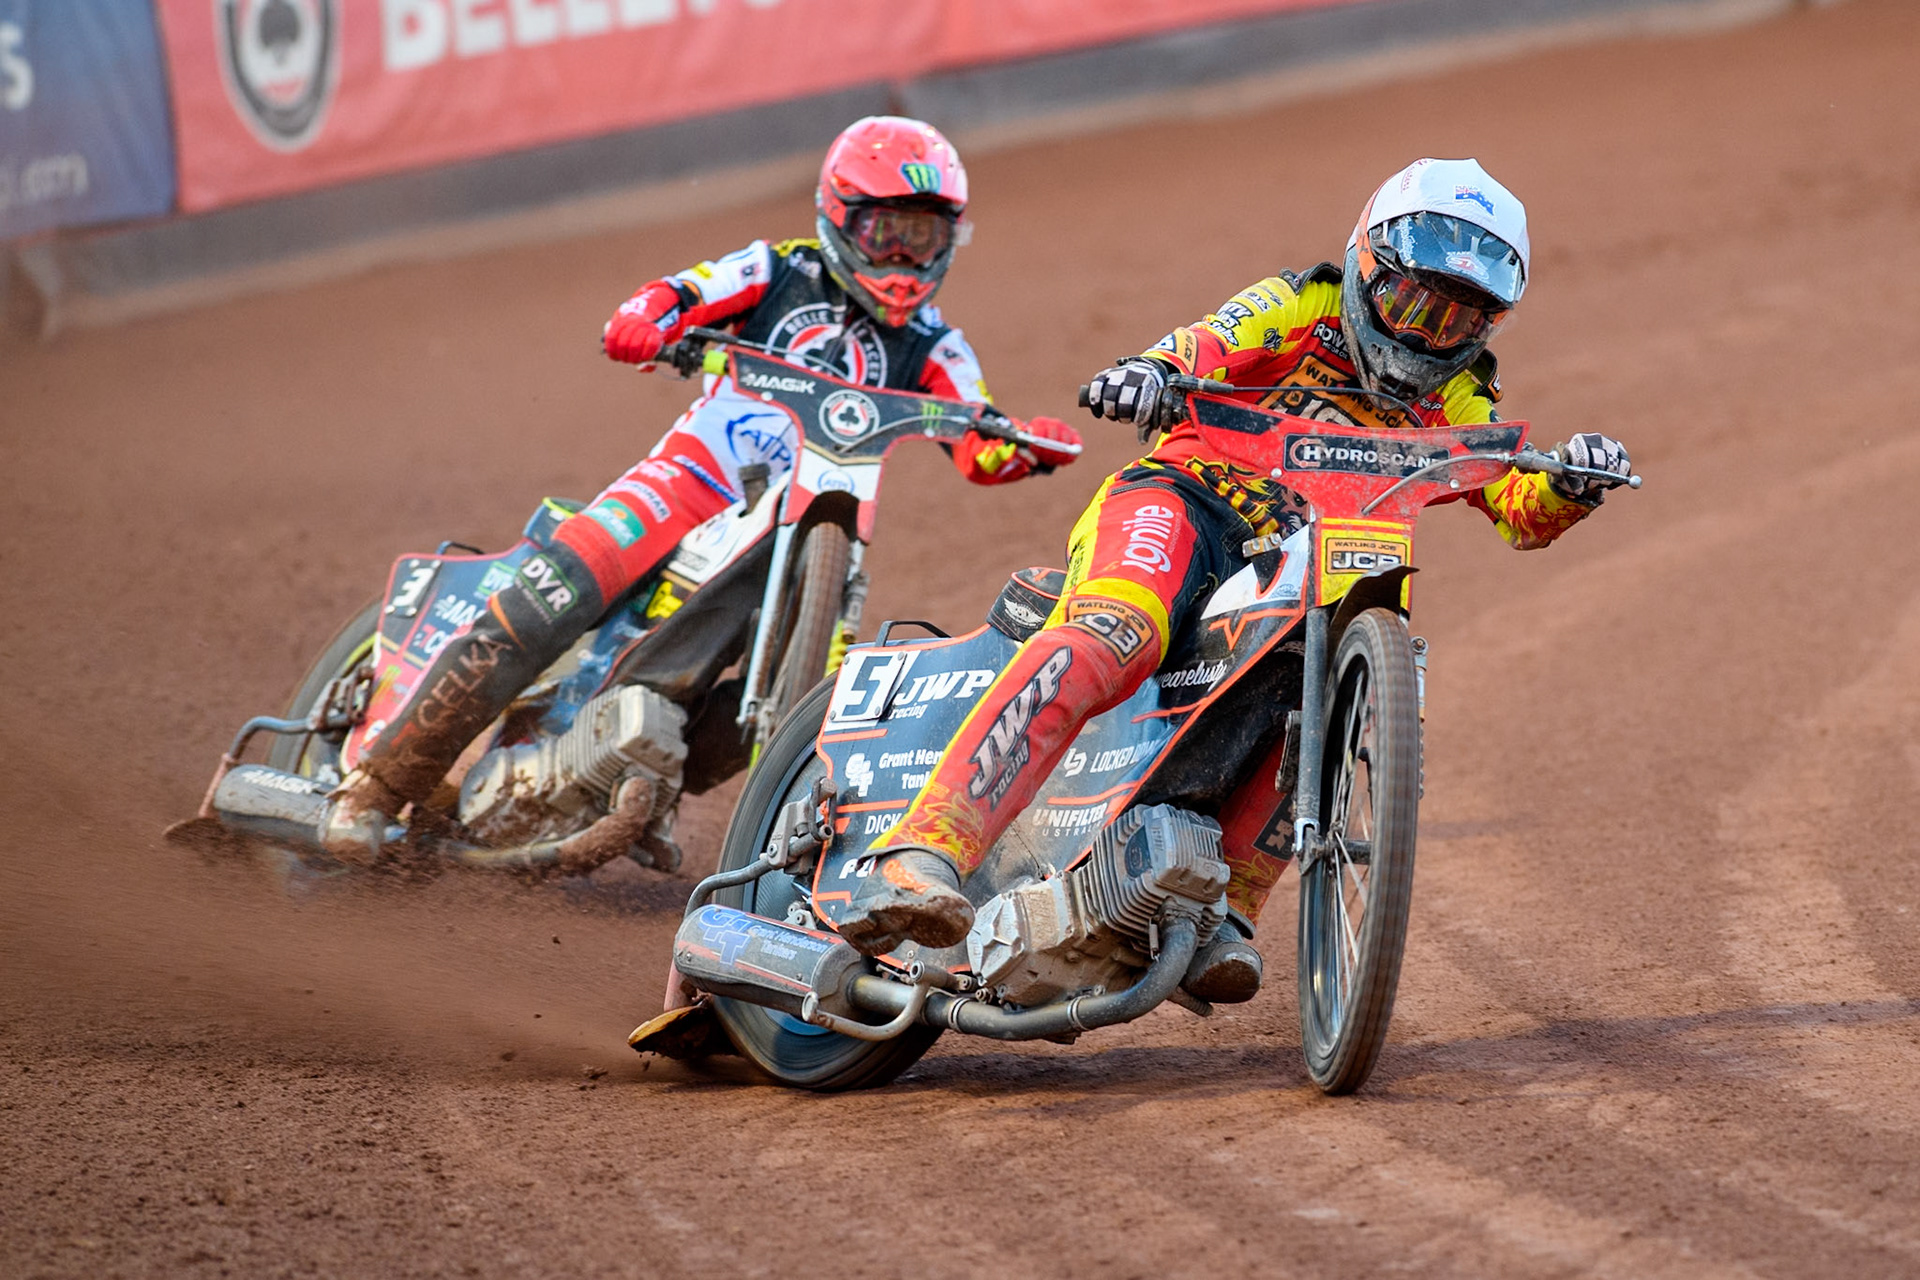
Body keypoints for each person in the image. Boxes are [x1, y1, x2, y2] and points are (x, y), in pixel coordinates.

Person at [838, 157, 1633, 1003]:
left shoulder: (1460, 395)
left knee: (1326, 690)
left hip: (1296, 561)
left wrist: (1571, 483)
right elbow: (1205, 343)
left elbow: (1517, 506)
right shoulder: (1301, 304)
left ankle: (1224, 905)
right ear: (1367, 269)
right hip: (1183, 501)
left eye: (1456, 319)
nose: (1425, 337)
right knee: (1116, 634)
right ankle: (926, 849)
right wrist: (1150, 371)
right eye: (1412, 304)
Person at [321, 116, 1082, 862]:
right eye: (889, 233)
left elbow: (979, 441)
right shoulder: (775, 271)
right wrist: (644, 320)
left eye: (925, 237)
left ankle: (651, 785)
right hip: (691, 480)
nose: (905, 257)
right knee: (563, 587)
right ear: (841, 216)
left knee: (819, 690)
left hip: (809, 525)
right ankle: (375, 788)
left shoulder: (936, 344)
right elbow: (675, 295)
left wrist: (1028, 444)